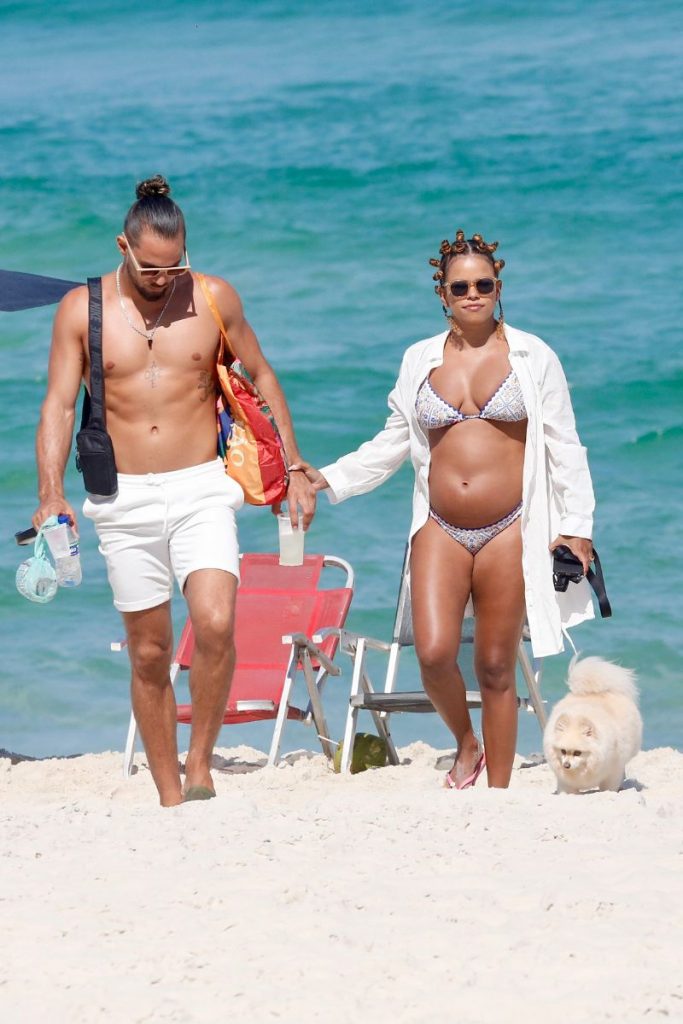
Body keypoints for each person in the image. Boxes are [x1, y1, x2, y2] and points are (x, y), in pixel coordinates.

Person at [33, 175, 316, 806]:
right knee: (149, 650)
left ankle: (200, 767)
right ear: (123, 248)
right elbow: (58, 405)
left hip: (201, 487)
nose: (164, 278)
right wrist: (51, 492)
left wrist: (293, 463)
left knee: (215, 623)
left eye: (175, 265)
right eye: (152, 268)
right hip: (123, 499)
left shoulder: (213, 299)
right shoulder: (81, 310)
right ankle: (168, 792)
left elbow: (262, 375)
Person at [291, 230, 595, 789]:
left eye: (484, 284)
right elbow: (392, 440)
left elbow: (564, 444)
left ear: (498, 287)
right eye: (461, 287)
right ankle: (466, 743)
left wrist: (576, 528)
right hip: (439, 525)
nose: (473, 294)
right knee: (432, 654)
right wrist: (329, 477)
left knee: (496, 666)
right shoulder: (420, 359)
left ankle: (497, 792)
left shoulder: (533, 356)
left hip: (511, 526)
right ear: (443, 294)